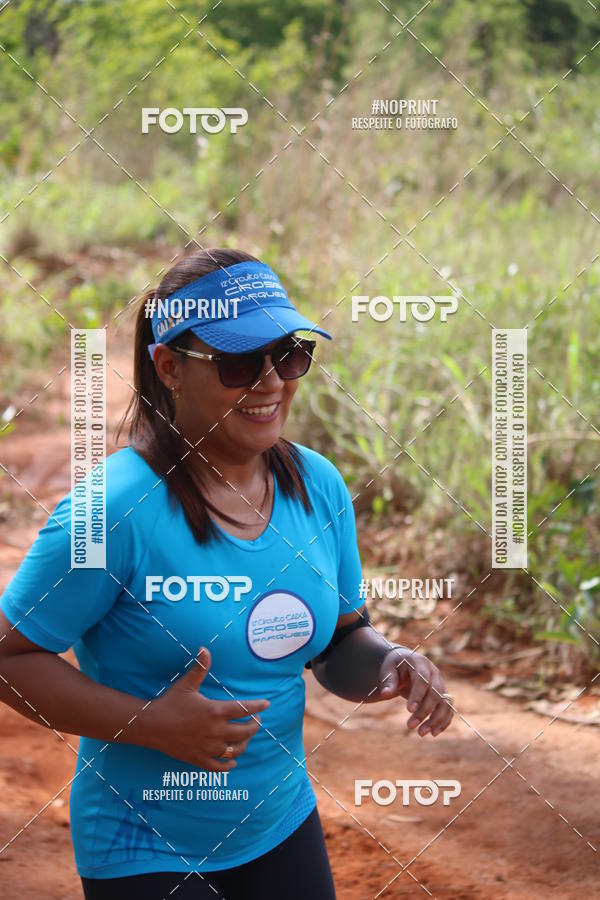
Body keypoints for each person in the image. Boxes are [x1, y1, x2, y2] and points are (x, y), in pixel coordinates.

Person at [0, 248, 454, 899]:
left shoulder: (317, 487)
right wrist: (150, 725)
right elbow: (10, 656)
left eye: (289, 354)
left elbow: (339, 642)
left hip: (280, 828)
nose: (271, 382)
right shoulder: (112, 511)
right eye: (239, 362)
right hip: (145, 850)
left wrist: (390, 663)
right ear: (169, 368)